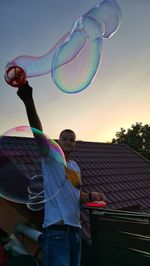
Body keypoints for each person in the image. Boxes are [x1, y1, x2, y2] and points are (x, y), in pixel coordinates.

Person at [17, 81, 106, 266]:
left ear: (75, 144)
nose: (68, 142)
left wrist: (90, 195)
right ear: (58, 141)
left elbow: (77, 195)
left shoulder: (75, 166)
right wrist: (28, 101)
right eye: (64, 139)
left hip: (75, 231)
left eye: (72, 140)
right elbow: (38, 133)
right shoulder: (50, 158)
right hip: (56, 232)